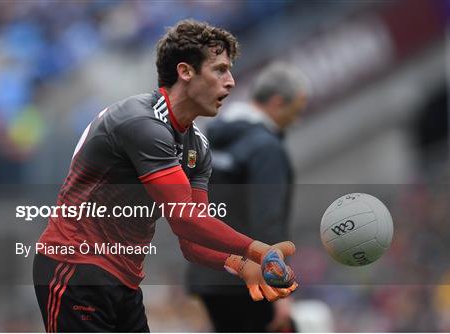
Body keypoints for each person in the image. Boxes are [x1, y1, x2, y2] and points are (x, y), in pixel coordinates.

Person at [32, 20, 298, 332]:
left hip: (123, 281)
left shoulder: (197, 146)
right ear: (186, 72)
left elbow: (191, 240)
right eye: (220, 70)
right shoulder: (141, 121)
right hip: (75, 268)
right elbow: (185, 219)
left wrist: (241, 266)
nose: (231, 82)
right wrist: (257, 250)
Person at [187, 62, 309, 332]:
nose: (297, 120)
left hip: (209, 275)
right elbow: (268, 221)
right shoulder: (266, 148)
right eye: (296, 111)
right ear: (277, 102)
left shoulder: (209, 138)